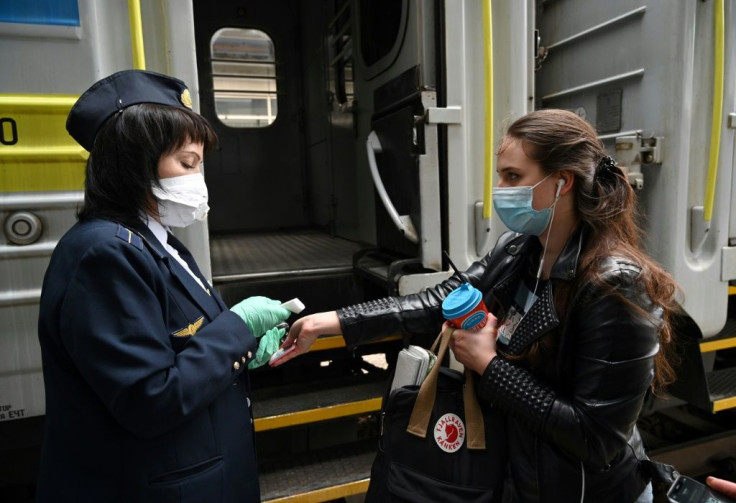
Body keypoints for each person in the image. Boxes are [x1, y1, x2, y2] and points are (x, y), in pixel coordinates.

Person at [274, 109, 680, 502]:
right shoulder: (520, 249)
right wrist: (332, 322)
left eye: (513, 177)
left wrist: (489, 365)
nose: (501, 191)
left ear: (563, 182)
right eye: (500, 176)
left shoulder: (617, 285)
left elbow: (596, 437)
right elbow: (441, 301)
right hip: (521, 479)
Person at [36, 70, 290, 502]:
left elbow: (180, 347)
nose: (197, 179)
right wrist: (238, 327)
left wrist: (241, 351)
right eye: (187, 164)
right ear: (134, 162)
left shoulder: (156, 241)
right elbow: (150, 399)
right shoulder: (104, 256)